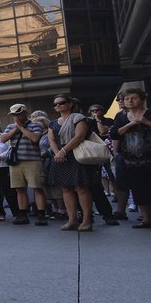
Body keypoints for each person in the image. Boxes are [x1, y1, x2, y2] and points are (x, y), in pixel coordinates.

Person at [47, 96, 99, 231]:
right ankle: (72, 220)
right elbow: (51, 140)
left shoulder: (79, 118)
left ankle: (87, 220)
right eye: (55, 104)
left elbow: (79, 137)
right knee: (66, 188)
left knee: (82, 188)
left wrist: (63, 151)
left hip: (76, 154)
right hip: (60, 156)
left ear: (70, 104)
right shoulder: (53, 123)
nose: (58, 105)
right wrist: (58, 152)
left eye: (61, 103)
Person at [0, 104, 49, 226]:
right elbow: (3, 139)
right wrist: (15, 129)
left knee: (37, 188)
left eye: (17, 114)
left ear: (24, 114)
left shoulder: (35, 125)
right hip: (16, 162)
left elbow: (35, 138)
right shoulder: (10, 126)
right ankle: (22, 214)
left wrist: (21, 128)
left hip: (33, 161)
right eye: (13, 115)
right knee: (19, 189)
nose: (15, 117)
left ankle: (41, 214)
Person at [110, 87, 151, 228]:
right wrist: (131, 124)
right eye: (127, 99)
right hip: (131, 160)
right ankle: (146, 219)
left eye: (133, 98)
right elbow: (114, 134)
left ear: (141, 99)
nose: (130, 101)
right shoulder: (121, 117)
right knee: (138, 189)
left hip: (148, 158)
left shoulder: (149, 113)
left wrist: (145, 121)